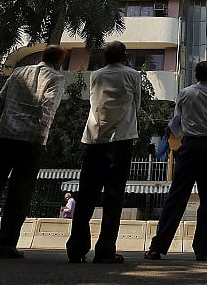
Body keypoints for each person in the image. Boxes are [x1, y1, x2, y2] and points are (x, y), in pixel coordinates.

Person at [0, 44, 68, 259]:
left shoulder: (18, 72)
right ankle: (5, 245)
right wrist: (41, 136)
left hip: (3, 136)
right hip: (29, 141)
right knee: (19, 194)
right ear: (59, 62)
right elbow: (49, 108)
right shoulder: (55, 78)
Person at [66, 41, 141, 264]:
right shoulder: (133, 75)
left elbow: (93, 100)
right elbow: (136, 105)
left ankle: (76, 248)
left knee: (87, 194)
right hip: (121, 140)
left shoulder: (96, 75)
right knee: (114, 196)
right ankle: (105, 249)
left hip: (93, 138)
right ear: (124, 56)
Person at [144, 60, 207, 262]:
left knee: (176, 197)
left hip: (190, 147)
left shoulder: (185, 93)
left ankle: (158, 247)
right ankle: (202, 250)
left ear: (195, 75)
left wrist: (181, 135)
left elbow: (177, 120)